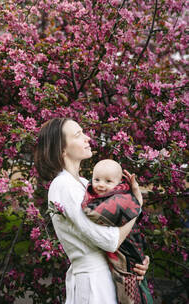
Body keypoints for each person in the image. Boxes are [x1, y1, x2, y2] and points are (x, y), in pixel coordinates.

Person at [34, 118, 150, 304]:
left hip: (107, 276)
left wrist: (135, 260)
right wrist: (136, 205)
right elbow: (109, 240)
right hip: (94, 284)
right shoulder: (63, 185)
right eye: (78, 135)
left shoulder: (82, 184)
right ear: (62, 149)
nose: (88, 138)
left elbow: (117, 228)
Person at [81, 159, 153, 304]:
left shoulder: (120, 197)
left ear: (119, 183)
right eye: (97, 179)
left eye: (108, 181)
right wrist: (138, 202)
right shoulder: (86, 189)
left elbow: (96, 212)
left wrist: (137, 201)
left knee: (131, 284)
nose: (101, 184)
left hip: (128, 248)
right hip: (107, 260)